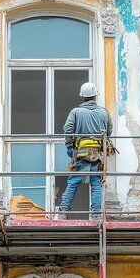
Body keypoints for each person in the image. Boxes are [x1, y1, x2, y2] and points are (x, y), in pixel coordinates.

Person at [56, 82, 113, 220]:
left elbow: (67, 129)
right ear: (95, 96)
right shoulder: (104, 112)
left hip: (81, 154)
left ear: (82, 97)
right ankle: (96, 215)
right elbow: (109, 131)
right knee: (96, 184)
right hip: (98, 155)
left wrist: (70, 147)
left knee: (73, 182)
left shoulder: (75, 112)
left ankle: (63, 212)